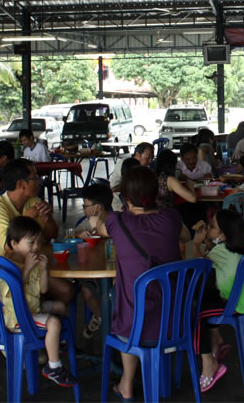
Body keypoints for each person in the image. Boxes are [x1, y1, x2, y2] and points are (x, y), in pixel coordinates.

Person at [95, 165, 183, 402]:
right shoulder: (172, 218)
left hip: (133, 327)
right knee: (140, 301)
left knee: (124, 302)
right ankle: (138, 379)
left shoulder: (117, 221)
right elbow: (182, 236)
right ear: (156, 194)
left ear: (124, 197)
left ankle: (126, 382)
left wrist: (96, 215)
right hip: (175, 324)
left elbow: (100, 228)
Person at [0, 159, 73, 305]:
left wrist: (47, 219)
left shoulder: (32, 201)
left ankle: (37, 315)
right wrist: (28, 217)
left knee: (66, 289)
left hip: (27, 266)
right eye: (35, 178)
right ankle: (30, 318)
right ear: (21, 185)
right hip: (0, 272)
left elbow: (50, 236)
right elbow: (10, 247)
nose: (39, 181)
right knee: (65, 291)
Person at [0, 216, 77, 387]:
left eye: (38, 242)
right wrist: (26, 269)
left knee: (61, 306)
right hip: (18, 317)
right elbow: (11, 293)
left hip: (32, 308)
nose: (36, 247)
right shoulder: (7, 266)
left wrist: (42, 270)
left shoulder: (32, 261)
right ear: (14, 244)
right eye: (31, 243)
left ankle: (59, 344)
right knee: (54, 323)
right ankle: (53, 367)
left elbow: (43, 290)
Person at [190, 209, 244, 392]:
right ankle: (216, 340)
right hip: (237, 297)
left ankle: (209, 362)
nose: (208, 227)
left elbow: (199, 265)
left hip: (230, 304)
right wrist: (207, 242)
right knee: (204, 297)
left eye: (212, 226)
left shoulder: (221, 251)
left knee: (194, 314)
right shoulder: (235, 248)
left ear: (223, 235)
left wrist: (195, 244)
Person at [73, 181, 114, 339]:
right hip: (92, 266)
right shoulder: (87, 222)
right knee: (86, 290)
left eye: (86, 205)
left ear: (97, 207)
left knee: (113, 291)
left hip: (112, 267)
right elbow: (75, 232)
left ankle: (114, 319)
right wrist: (79, 235)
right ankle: (101, 316)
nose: (84, 209)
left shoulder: (114, 220)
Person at [153, 148, 199, 226]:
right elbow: (192, 199)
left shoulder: (152, 176)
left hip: (154, 215)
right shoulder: (169, 180)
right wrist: (191, 186)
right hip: (167, 216)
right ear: (172, 164)